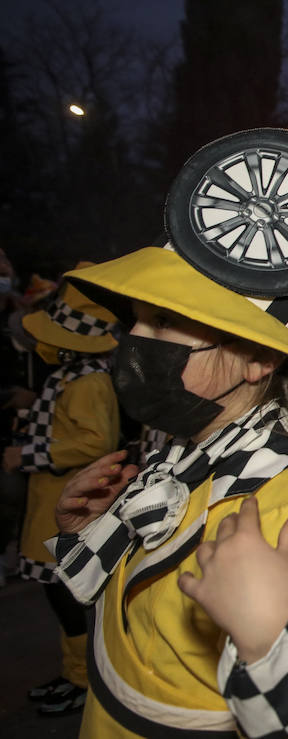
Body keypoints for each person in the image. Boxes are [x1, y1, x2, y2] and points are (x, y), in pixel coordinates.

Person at [47, 128, 288, 736]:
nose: (138, 341)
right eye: (141, 318)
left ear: (257, 360)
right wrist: (96, 534)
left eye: (168, 321)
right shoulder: (182, 446)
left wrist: (272, 640)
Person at [2, 275, 120, 716]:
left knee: (66, 596)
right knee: (57, 594)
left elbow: (95, 443)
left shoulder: (88, 381)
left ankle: (82, 679)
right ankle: (74, 673)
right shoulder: (70, 375)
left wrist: (25, 454)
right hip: (49, 501)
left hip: (65, 505)